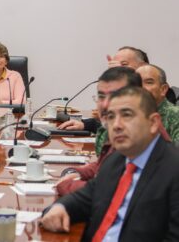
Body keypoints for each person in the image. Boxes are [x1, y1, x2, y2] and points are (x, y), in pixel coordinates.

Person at [42, 87, 179, 241]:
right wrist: (60, 207)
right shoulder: (117, 159)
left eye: (127, 115)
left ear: (153, 123)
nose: (117, 125)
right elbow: (86, 197)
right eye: (111, 117)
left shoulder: (173, 170)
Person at [56, 67, 142, 195]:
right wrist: (76, 172)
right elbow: (104, 166)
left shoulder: (139, 135)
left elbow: (105, 191)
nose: (105, 104)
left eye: (114, 96)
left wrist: (66, 185)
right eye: (101, 97)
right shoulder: (118, 128)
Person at [136, 64, 179, 144]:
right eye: (137, 83)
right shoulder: (127, 116)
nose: (141, 87)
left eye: (149, 82)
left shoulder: (176, 115)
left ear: (163, 89)